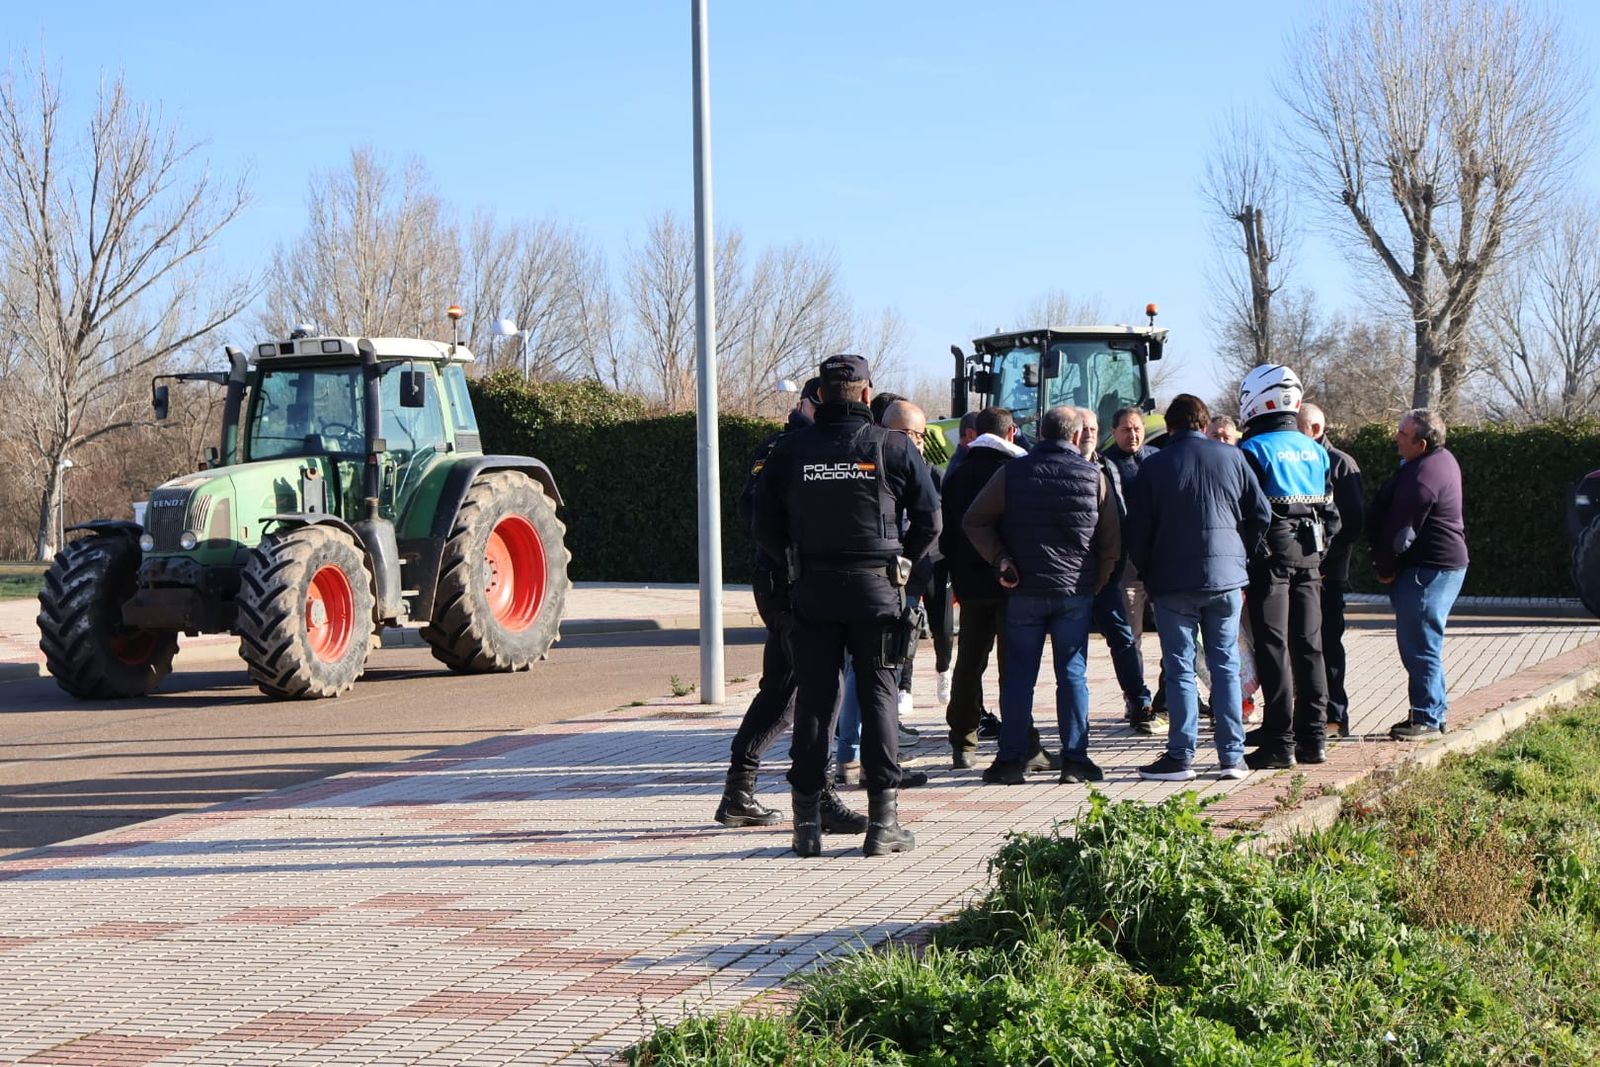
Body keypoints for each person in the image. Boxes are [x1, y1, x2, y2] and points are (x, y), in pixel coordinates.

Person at [752, 353, 939, 857]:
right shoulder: (895, 447)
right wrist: (904, 563)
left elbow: (762, 523)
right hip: (876, 589)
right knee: (878, 696)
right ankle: (883, 823)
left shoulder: (791, 450)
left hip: (812, 588)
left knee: (815, 700)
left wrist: (792, 560)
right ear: (865, 392)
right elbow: (930, 519)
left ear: (822, 394)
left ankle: (806, 825)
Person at [714, 379, 867, 833]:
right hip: (789, 584)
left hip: (797, 582)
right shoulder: (785, 447)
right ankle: (816, 794)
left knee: (783, 689)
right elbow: (753, 514)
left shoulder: (818, 445)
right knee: (819, 688)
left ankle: (739, 792)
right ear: (804, 404)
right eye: (822, 403)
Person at [963, 405, 1117, 785]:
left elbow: (974, 519)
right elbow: (1112, 542)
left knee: (1018, 677)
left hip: (1025, 591)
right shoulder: (1094, 476)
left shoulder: (1011, 472)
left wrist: (1000, 559)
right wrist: (1095, 583)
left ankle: (1012, 761)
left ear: (1040, 432)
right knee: (1073, 676)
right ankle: (1076, 760)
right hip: (1074, 592)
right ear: (1077, 436)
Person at [1126, 395, 1271, 781]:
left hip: (1173, 581)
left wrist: (1148, 568)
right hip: (1225, 579)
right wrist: (1241, 554)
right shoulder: (1233, 458)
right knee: (1225, 665)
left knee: (1180, 666)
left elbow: (1136, 530)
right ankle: (1231, 756)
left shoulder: (1153, 466)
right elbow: (1261, 514)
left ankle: (1181, 755)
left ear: (1169, 426)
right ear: (1204, 424)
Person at [1235, 364, 1341, 770]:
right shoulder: (1315, 449)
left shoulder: (1253, 450)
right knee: (1310, 646)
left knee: (1274, 647)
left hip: (1270, 561)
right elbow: (1332, 513)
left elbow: (1247, 512)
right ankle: (1313, 739)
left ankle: (1279, 742)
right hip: (1310, 557)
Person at [1367, 408, 1468, 740]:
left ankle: (1426, 716)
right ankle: (1433, 712)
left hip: (1428, 570)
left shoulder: (1423, 477)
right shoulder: (1440, 461)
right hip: (1440, 566)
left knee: (1420, 643)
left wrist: (1385, 567)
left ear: (1421, 443)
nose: (1396, 437)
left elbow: (1402, 531)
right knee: (1426, 641)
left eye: (1402, 434)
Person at [938, 405, 1026, 767]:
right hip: (1009, 581)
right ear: (1011, 433)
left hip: (969, 585)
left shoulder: (956, 474)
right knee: (1013, 665)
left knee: (969, 663)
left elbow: (946, 538)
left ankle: (963, 741)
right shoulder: (1015, 472)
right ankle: (1017, 740)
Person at [1075, 406, 1155, 730]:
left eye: (1093, 429)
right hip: (1067, 576)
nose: (1089, 435)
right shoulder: (1056, 467)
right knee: (1072, 649)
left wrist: (1112, 566)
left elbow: (1117, 519)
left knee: (1122, 638)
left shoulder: (1107, 467)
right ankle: (1074, 720)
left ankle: (1140, 701)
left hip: (1108, 573)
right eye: (1084, 429)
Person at [1297, 402, 1365, 738]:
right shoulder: (1297, 460)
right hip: (1301, 572)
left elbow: (1352, 523)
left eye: (1297, 428)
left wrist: (1324, 561)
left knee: (1328, 645)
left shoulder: (1340, 464)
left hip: (1327, 574)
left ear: (1315, 429)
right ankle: (1309, 713)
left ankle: (1336, 716)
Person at [1100, 405, 1160, 730]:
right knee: (1129, 636)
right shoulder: (1104, 464)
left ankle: (1170, 696)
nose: (1133, 434)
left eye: (1137, 428)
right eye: (1126, 429)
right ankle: (1136, 698)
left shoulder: (1154, 458)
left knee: (1175, 634)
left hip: (1160, 560)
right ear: (1114, 432)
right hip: (1126, 566)